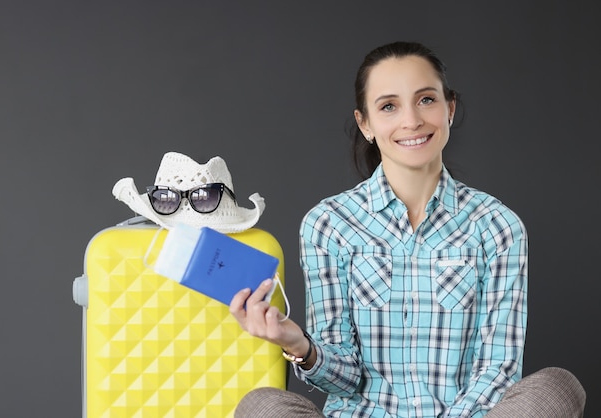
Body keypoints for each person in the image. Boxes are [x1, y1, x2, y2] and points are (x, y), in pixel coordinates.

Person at [229, 41, 586, 417]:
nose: (412, 120)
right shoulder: (328, 224)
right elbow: (345, 379)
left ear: (450, 108)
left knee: (558, 386)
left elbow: (497, 370)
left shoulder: (497, 225)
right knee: (262, 404)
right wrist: (299, 344)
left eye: (426, 100)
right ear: (365, 123)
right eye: (388, 106)